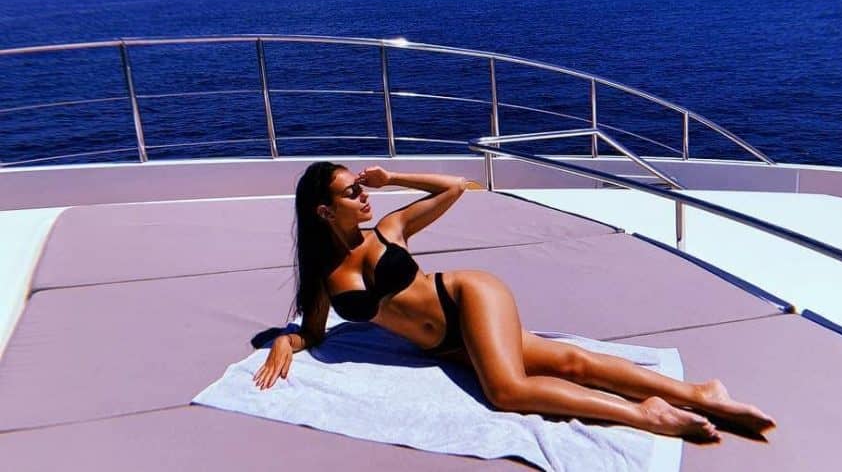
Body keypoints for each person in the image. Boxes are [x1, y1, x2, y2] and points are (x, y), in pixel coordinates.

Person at [253, 162, 775, 441]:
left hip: (468, 296)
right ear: (324, 212)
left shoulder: (390, 228)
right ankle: (700, 393)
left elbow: (455, 187)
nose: (364, 193)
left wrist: (394, 178)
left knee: (506, 391)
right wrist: (284, 342)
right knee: (570, 362)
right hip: (445, 345)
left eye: (361, 185)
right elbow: (313, 332)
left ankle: (648, 416)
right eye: (352, 191)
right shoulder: (325, 278)